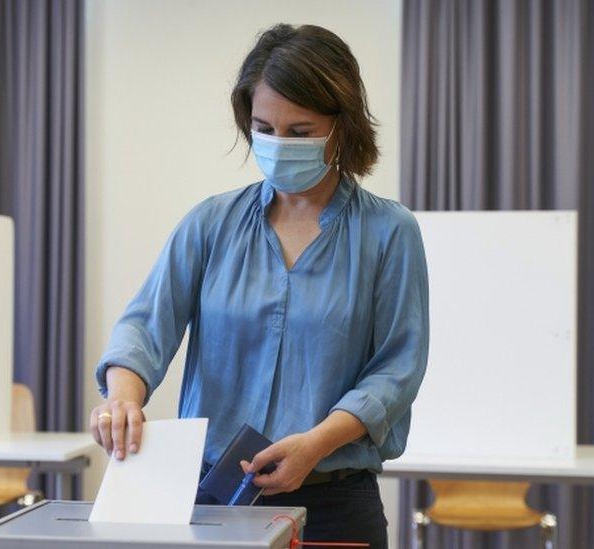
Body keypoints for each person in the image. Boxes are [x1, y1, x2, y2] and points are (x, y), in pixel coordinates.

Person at [90, 23, 429, 548]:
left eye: (300, 131)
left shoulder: (389, 233)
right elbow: (143, 329)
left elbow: (396, 369)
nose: (278, 145)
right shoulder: (210, 224)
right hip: (213, 498)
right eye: (264, 128)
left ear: (343, 126)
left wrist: (316, 445)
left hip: (334, 501)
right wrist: (123, 400)